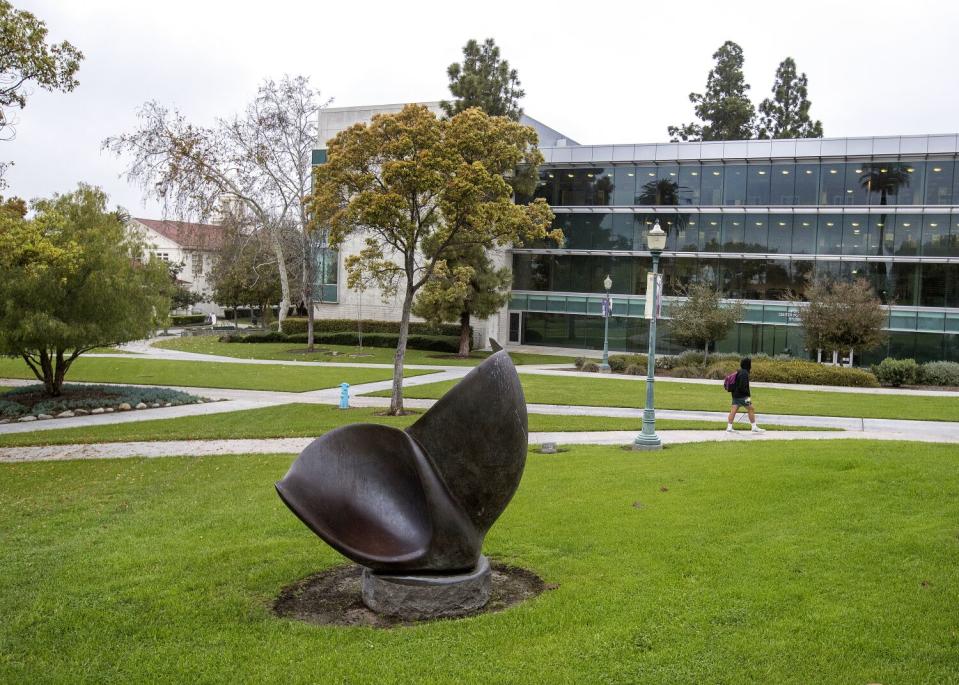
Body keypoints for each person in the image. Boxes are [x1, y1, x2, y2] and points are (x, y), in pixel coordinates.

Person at [726, 357, 765, 434]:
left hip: (735, 395)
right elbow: (742, 386)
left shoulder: (739, 371)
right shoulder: (745, 373)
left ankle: (729, 427)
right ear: (748, 364)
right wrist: (747, 393)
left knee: (733, 411)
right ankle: (754, 427)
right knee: (751, 409)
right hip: (744, 397)